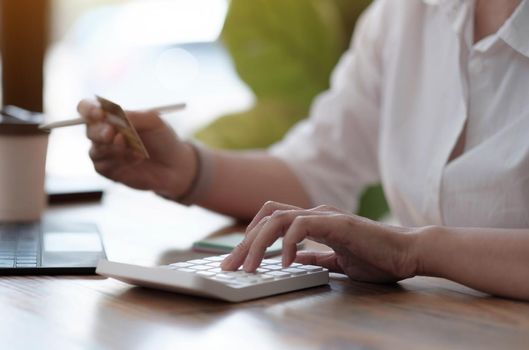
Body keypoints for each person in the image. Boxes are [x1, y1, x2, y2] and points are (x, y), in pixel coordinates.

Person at [79, 0, 529, 300]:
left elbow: (408, 248)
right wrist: (183, 170)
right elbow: (315, 169)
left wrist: (413, 250)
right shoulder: (402, 13)